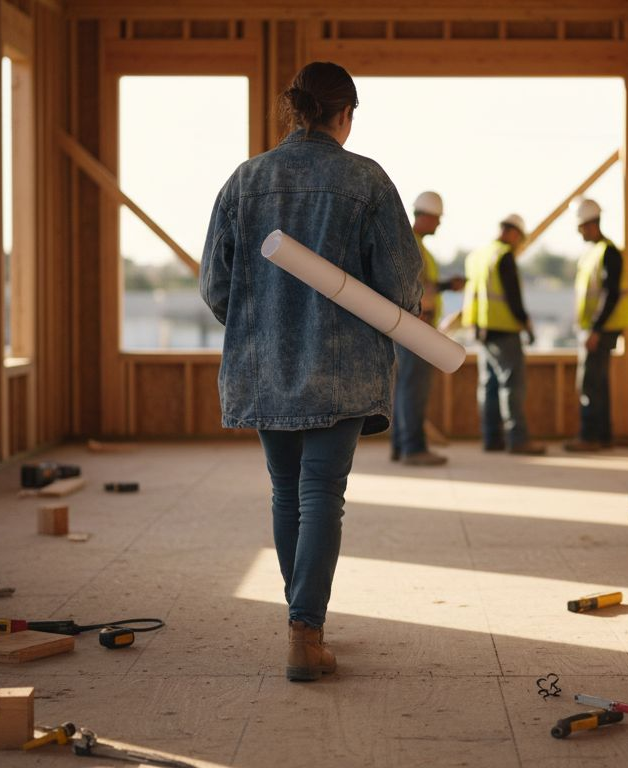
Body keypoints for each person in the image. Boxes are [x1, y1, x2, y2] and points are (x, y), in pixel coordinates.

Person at [199, 61, 422, 682]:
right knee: (323, 494)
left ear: (294, 110)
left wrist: (262, 328)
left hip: (267, 370)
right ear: (345, 115)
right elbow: (402, 284)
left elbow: (216, 285)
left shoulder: (246, 180)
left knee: (285, 491)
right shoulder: (366, 181)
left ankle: (303, 625)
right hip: (342, 372)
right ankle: (305, 631)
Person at [461, 215, 546, 455]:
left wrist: (475, 326)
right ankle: (518, 440)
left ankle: (492, 439)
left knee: (488, 385)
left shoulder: (478, 256)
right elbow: (512, 296)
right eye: (519, 238)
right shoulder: (503, 255)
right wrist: (525, 323)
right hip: (505, 329)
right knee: (512, 385)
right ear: (513, 233)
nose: (519, 244)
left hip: (482, 330)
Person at [391, 191, 465, 466]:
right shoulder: (413, 244)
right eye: (437, 219)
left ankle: (401, 446)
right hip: (417, 326)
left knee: (405, 388)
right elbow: (413, 288)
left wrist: (446, 286)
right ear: (425, 216)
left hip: (409, 325)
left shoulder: (413, 244)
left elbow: (422, 284)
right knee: (414, 389)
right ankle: (413, 448)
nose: (439, 224)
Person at [565, 198, 628, 452]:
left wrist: (595, 329)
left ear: (591, 224)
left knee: (590, 383)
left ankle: (590, 436)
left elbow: (610, 293)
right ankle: (602, 436)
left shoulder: (607, 252)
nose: (579, 231)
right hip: (596, 327)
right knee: (598, 382)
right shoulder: (593, 253)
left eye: (581, 226)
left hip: (601, 329)